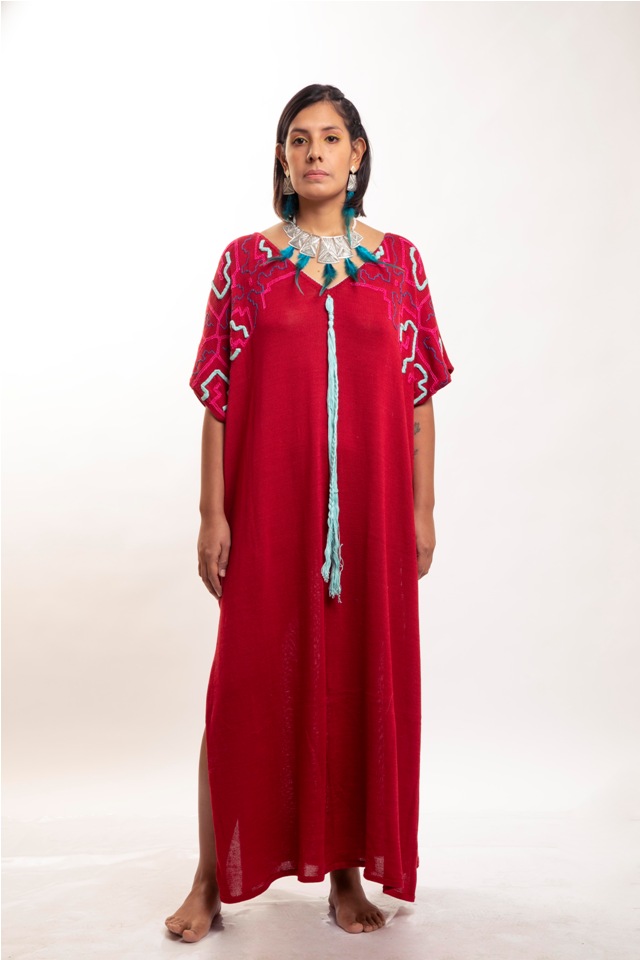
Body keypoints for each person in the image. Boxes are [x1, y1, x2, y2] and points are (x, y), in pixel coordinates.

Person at [165, 83, 454, 940]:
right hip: (269, 513)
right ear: (283, 158)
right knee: (243, 688)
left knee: (356, 681)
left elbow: (418, 396)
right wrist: (213, 515)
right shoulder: (245, 265)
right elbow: (218, 396)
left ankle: (346, 874)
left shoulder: (399, 264)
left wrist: (422, 509)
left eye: (331, 138)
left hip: (370, 520)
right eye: (299, 139)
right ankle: (211, 877)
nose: (315, 152)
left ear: (357, 154)